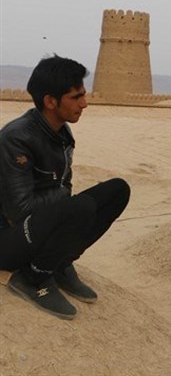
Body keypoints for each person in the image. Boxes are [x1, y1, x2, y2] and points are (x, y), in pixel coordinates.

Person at [0, 56, 130, 320]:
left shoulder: (62, 133)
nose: (84, 103)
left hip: (38, 225)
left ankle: (59, 264)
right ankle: (33, 278)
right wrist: (64, 200)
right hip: (9, 238)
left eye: (83, 95)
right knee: (81, 207)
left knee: (118, 190)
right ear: (50, 101)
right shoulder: (16, 138)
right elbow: (19, 210)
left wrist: (65, 200)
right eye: (76, 97)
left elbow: (64, 185)